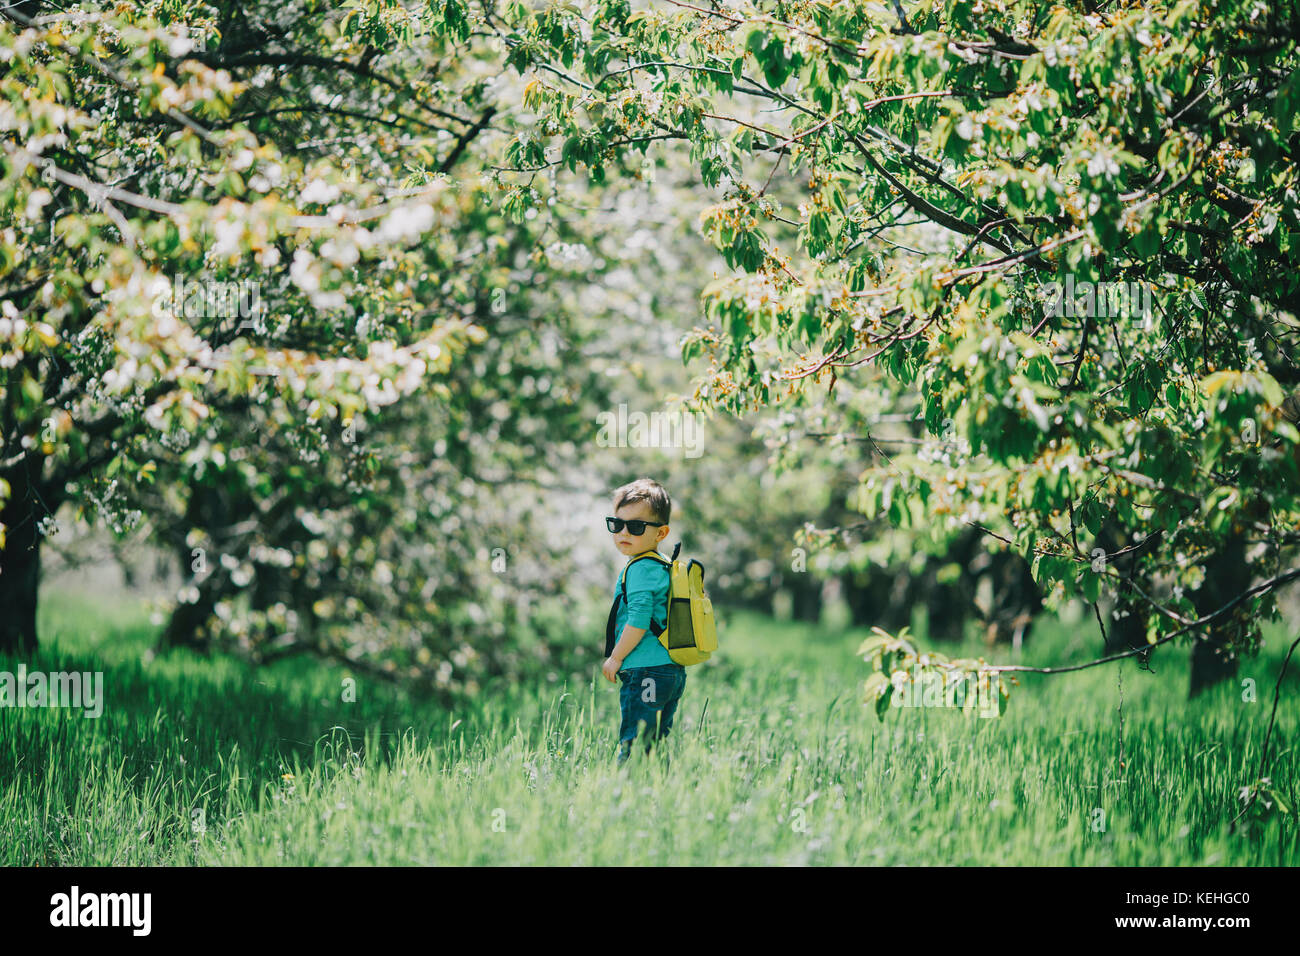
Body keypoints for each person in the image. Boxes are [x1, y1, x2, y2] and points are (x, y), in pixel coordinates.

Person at [601, 478, 687, 767]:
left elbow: (638, 620)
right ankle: (656, 796)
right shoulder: (662, 564)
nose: (624, 532)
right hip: (670, 671)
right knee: (655, 746)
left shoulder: (639, 569)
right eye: (617, 524)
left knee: (634, 745)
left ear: (661, 532)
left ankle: (624, 795)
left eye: (636, 527)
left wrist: (615, 658)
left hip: (644, 671)